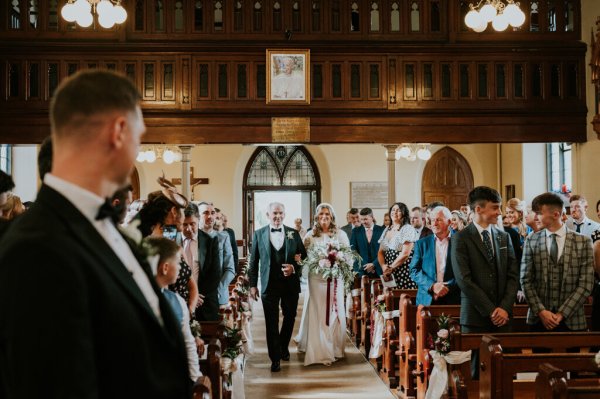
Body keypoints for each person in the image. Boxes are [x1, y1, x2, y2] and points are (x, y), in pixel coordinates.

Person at [0, 70, 190, 397]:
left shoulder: (102, 227)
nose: (137, 146)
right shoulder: (36, 248)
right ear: (118, 131)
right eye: (138, 135)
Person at [451, 186, 519, 379]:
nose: (500, 212)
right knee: (476, 373)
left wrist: (504, 308)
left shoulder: (503, 236)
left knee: (505, 372)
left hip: (504, 316)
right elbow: (464, 280)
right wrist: (491, 310)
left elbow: (513, 275)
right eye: (495, 208)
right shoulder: (461, 238)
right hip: (475, 316)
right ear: (479, 209)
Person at [521, 192, 594, 332]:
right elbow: (525, 280)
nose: (535, 217)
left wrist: (562, 314)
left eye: (539, 213)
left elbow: (586, 284)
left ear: (555, 214)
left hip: (572, 320)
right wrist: (542, 312)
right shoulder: (532, 240)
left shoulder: (583, 242)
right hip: (539, 320)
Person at [249, 202, 306, 372]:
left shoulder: (293, 233)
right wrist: (252, 285)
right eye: (274, 213)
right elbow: (254, 262)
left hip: (290, 285)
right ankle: (275, 358)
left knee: (290, 317)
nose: (277, 216)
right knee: (271, 322)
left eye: (280, 213)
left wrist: (294, 268)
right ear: (268, 215)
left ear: (284, 214)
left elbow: (304, 256)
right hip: (269, 284)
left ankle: (283, 346)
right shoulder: (258, 234)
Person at [295, 203, 349, 366]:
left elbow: (348, 257)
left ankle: (335, 348)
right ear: (316, 217)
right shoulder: (310, 236)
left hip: (334, 279)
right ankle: (318, 349)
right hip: (316, 279)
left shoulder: (340, 234)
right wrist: (304, 261)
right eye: (321, 214)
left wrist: (339, 262)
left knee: (335, 310)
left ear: (331, 216)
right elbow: (303, 258)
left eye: (327, 214)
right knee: (318, 311)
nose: (324, 217)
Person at [146, 236, 201, 385]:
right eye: (178, 262)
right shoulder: (142, 299)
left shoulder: (178, 300)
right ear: (165, 268)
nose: (181, 267)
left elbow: (188, 343)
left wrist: (194, 379)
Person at [409, 206, 460, 306]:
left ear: (449, 222)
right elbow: (414, 270)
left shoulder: (461, 241)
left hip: (453, 298)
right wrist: (432, 286)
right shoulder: (422, 244)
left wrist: (447, 287)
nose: (434, 224)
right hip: (427, 299)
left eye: (439, 220)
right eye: (432, 220)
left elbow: (466, 270)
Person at [195, 201, 235, 321]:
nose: (210, 216)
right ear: (197, 216)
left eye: (212, 213)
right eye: (205, 213)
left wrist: (217, 289)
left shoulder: (223, 237)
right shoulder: (192, 238)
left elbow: (230, 269)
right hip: (195, 295)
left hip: (218, 295)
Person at [378, 202, 418, 289]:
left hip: (404, 271)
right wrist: (383, 266)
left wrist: (391, 267)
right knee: (389, 299)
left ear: (404, 213)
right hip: (389, 273)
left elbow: (405, 254)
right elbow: (380, 252)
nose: (395, 212)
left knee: (403, 299)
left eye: (398, 210)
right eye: (393, 210)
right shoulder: (387, 229)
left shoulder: (408, 228)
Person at [350, 207, 385, 277]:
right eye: (361, 219)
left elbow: (385, 250)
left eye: (365, 219)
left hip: (378, 269)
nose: (363, 222)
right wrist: (365, 265)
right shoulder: (355, 231)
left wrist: (374, 264)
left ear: (372, 217)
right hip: (361, 270)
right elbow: (353, 251)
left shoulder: (382, 230)